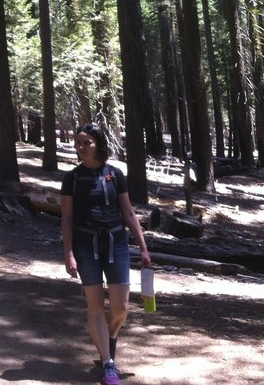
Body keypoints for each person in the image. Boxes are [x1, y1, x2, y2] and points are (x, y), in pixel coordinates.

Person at [61, 124, 152, 385]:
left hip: (116, 242)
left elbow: (129, 212)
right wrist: (68, 254)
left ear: (98, 144)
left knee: (121, 307)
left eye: (86, 142)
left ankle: (110, 336)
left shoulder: (115, 174)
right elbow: (66, 218)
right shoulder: (72, 178)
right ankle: (107, 363)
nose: (81, 147)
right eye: (78, 142)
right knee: (95, 305)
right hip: (85, 245)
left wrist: (143, 247)